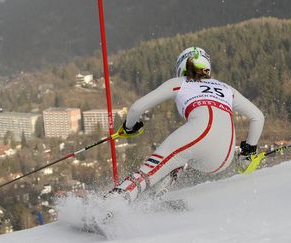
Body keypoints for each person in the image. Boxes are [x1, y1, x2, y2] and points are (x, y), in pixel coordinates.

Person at [107, 47, 265, 201]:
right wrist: (247, 153)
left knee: (152, 168)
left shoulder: (180, 82)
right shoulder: (227, 89)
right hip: (224, 157)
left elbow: (136, 108)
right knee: (179, 158)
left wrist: (129, 128)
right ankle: (152, 200)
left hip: (201, 133)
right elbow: (258, 117)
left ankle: (113, 204)